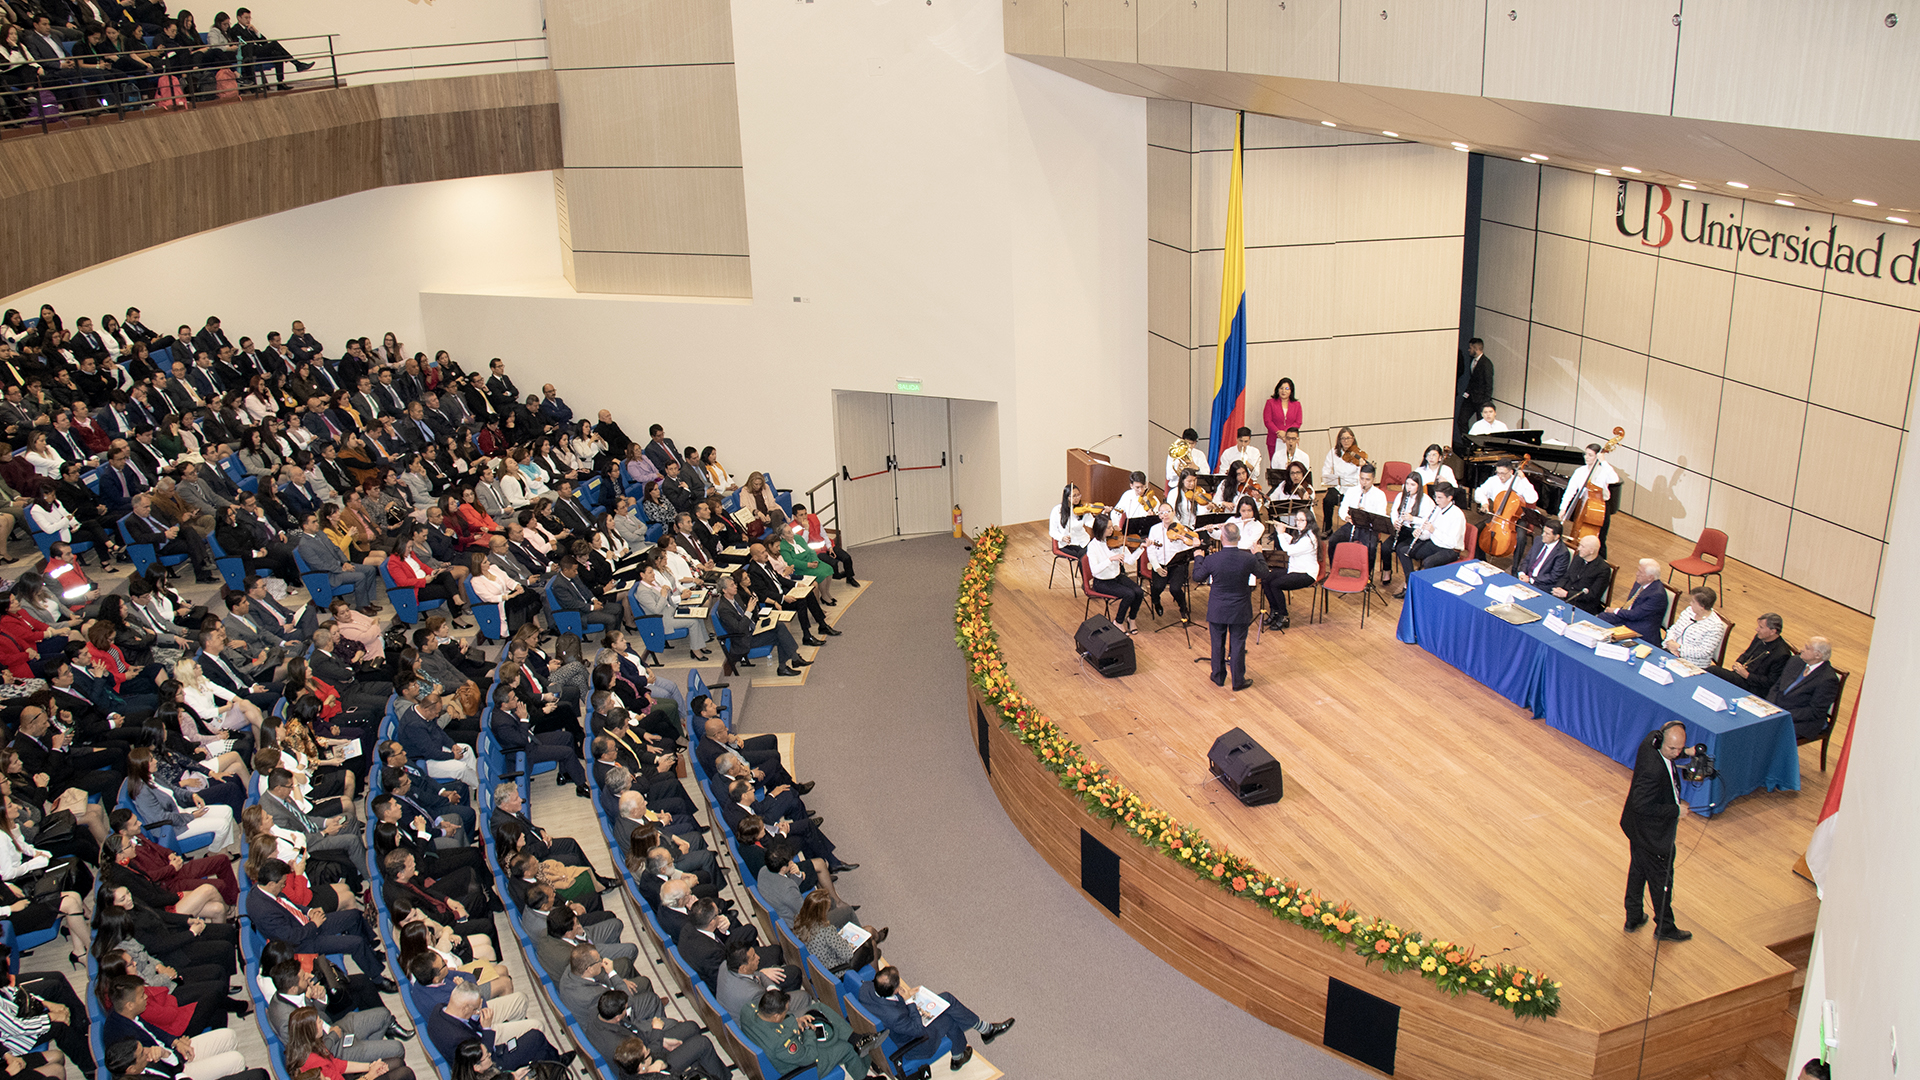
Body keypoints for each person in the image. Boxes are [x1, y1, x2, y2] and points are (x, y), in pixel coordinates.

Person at [855, 965, 1014, 1079]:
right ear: (895, 991)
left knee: (946, 999)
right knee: (948, 1018)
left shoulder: (867, 989)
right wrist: (910, 1001)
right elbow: (918, 1030)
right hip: (915, 1044)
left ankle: (984, 1029)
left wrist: (908, 995)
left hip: (899, 1028)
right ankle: (959, 1056)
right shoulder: (894, 1016)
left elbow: (892, 1006)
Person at [1620, 721, 1694, 942]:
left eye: (1680, 749)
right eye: (1672, 749)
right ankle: (1665, 926)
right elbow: (1641, 804)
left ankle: (1633, 916)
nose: (1676, 753)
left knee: (1638, 870)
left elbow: (1671, 749)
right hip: (1652, 833)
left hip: (1636, 829)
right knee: (1662, 880)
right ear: (1662, 741)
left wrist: (1685, 753)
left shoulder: (1650, 741)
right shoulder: (1653, 770)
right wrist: (1675, 811)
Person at [1190, 523, 1272, 692]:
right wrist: (1258, 554)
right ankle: (1238, 680)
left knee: (1217, 643)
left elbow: (1197, 576)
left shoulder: (1213, 559)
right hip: (1240, 608)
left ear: (1222, 537)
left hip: (1217, 608)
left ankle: (1218, 677)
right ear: (1239, 538)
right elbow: (1264, 573)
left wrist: (1198, 557)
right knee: (1238, 644)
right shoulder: (1248, 558)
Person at [739, 990, 875, 1079]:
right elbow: (809, 1057)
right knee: (846, 1048)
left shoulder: (747, 1010)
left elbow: (774, 1025)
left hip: (774, 1044)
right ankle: (862, 1076)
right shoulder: (782, 1042)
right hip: (799, 1069)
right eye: (785, 1012)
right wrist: (810, 1032)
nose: (787, 1013)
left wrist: (796, 1021)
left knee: (817, 1009)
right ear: (775, 1016)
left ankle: (854, 1038)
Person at [281, 1004, 412, 1080]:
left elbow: (337, 1063)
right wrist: (370, 1074)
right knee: (405, 1073)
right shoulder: (313, 1061)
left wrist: (370, 1066)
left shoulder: (308, 1044)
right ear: (310, 1030)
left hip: (342, 1075)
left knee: (397, 1062)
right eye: (318, 1021)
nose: (322, 1022)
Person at [1766, 637, 1842, 739]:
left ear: (1818, 655)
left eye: (1807, 648)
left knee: (1769, 732)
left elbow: (1814, 711)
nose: (1801, 649)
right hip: (1778, 709)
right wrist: (1769, 705)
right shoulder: (1795, 661)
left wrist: (1783, 714)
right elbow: (1778, 685)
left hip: (1802, 721)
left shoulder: (1828, 679)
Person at [1557, 442, 1622, 554]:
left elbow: (1614, 479)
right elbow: (1570, 491)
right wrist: (1563, 508)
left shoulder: (1604, 471)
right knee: (1577, 533)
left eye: (1590, 455)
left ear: (1597, 456)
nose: (1586, 457)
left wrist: (1603, 461)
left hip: (1600, 508)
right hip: (1583, 505)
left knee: (1600, 539)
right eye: (1585, 454)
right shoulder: (1580, 471)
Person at [1706, 613, 1793, 695]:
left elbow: (1771, 682)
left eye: (1761, 627)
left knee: (1713, 671)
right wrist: (1739, 662)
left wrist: (1747, 675)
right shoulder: (1759, 637)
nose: (1757, 629)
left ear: (1772, 631)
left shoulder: (1782, 654)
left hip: (1754, 687)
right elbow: (1746, 654)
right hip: (1740, 675)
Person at [1084, 515, 1143, 633]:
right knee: (1129, 594)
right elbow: (1094, 570)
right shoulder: (1093, 546)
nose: (1112, 530)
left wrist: (1141, 548)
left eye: (1111, 527)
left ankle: (1131, 619)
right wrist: (1110, 559)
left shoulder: (1117, 540)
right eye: (1109, 528)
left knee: (1139, 592)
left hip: (1116, 576)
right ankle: (1118, 622)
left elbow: (1130, 561)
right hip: (1102, 581)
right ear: (1100, 529)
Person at [1329, 462, 1387, 579]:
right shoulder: (1352, 491)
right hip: (1352, 524)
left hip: (1369, 527)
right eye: (1361, 479)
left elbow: (1381, 516)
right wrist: (1347, 517)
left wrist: (1366, 514)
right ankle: (1333, 571)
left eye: (1367, 480)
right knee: (1333, 540)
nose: (1364, 483)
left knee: (1370, 547)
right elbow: (1343, 508)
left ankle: (1367, 576)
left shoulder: (1380, 495)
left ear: (1373, 479)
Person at [1142, 503, 1197, 622]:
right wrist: (1156, 567)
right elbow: (1151, 551)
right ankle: (1156, 602)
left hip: (1178, 563)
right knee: (1157, 586)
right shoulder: (1155, 529)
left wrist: (1187, 540)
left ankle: (1183, 608)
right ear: (1159, 516)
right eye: (1162, 512)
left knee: (1175, 589)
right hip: (1161, 564)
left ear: (1173, 512)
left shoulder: (1181, 528)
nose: (1165, 514)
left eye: (1168, 511)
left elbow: (1189, 547)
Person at [1264, 510, 1317, 630]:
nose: (1298, 523)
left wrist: (1281, 533)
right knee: (1266, 579)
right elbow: (1293, 542)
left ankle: (1283, 616)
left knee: (1275, 584)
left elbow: (1289, 550)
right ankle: (1275, 611)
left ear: (1309, 521)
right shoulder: (1301, 534)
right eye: (1297, 520)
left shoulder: (1309, 538)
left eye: (1302, 520)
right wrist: (1281, 534)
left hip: (1306, 573)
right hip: (1294, 569)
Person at [1598, 559, 1666, 641]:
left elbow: (1635, 614)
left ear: (1650, 577)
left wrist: (1615, 610)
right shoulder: (1640, 582)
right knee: (1602, 617)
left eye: (1641, 572)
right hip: (1629, 617)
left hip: (1640, 626)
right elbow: (1629, 606)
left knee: (1610, 631)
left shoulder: (1657, 595)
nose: (1637, 574)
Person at [1662, 587, 1727, 666]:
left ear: (1702, 606)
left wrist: (1679, 648)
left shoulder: (1715, 626)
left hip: (1691, 664)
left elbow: (1704, 651)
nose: (1690, 603)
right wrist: (1670, 643)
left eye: (1693, 601)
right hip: (1671, 651)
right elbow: (1674, 628)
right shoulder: (1689, 611)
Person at [1319, 427, 1363, 534]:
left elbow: (1361, 475)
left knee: (1355, 506)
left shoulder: (1358, 454)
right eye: (1343, 439)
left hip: (1352, 488)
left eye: (1348, 438)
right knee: (1327, 501)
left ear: (1353, 439)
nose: (1346, 441)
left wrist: (1362, 465)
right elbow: (1326, 469)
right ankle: (1327, 528)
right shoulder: (1333, 453)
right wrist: (1330, 481)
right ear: (1339, 440)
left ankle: (1354, 530)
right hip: (1338, 487)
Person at [1552, 534, 1610, 614]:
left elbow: (1593, 595)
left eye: (1582, 547)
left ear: (1591, 551)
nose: (1579, 549)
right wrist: (1558, 588)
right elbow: (1566, 576)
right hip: (1564, 596)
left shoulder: (1603, 569)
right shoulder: (1577, 558)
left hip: (1582, 605)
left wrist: (1567, 594)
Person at [1512, 519, 1569, 592]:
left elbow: (1554, 576)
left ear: (1556, 537)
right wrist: (1522, 573)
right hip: (1525, 578)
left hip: (1541, 585)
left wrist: (1530, 579)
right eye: (1543, 531)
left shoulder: (1562, 553)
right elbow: (1527, 559)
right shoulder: (1538, 540)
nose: (1543, 535)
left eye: (1547, 534)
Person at [1456, 335, 1493, 442]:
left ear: (1476, 348)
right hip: (1470, 398)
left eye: (1470, 348)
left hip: (1480, 400)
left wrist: (1485, 402)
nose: (1469, 350)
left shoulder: (1486, 364)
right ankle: (1468, 443)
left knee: (1482, 425)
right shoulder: (1472, 361)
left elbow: (1489, 384)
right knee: (1461, 420)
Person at [1261, 378, 1301, 460]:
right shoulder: (1270, 403)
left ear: (1291, 391)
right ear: (1277, 389)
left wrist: (1286, 433)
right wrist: (1279, 432)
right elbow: (1268, 421)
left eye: (1287, 389)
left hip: (1291, 440)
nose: (1283, 391)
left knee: (1292, 464)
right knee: (1275, 465)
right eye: (1281, 388)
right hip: (1274, 440)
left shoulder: (1297, 405)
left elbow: (1298, 422)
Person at [1047, 484, 1091, 557]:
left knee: (1096, 551)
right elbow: (1052, 531)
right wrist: (1062, 538)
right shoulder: (1057, 510)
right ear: (1066, 497)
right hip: (1067, 544)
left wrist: (1103, 514)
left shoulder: (1082, 509)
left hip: (1084, 541)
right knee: (1085, 556)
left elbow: (1091, 522)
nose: (1077, 498)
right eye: (1074, 496)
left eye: (1078, 495)